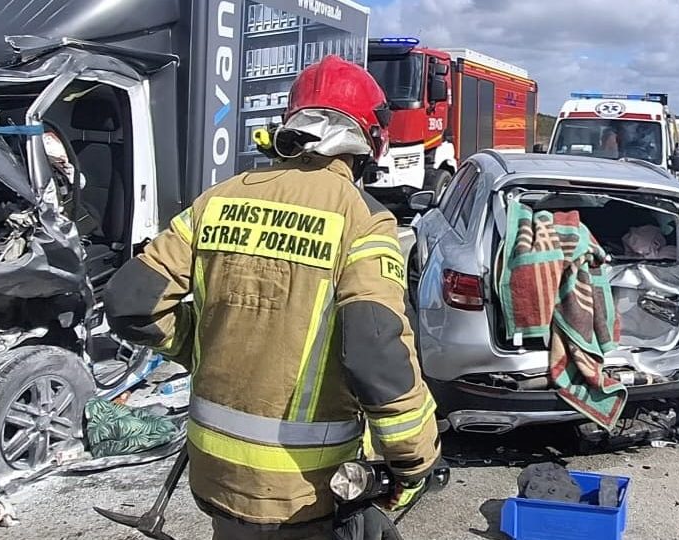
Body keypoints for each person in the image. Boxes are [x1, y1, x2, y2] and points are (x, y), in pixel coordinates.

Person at [104, 55, 442, 539]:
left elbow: (131, 302)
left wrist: (202, 346)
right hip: (307, 491)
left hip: (215, 476)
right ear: (371, 140)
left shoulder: (217, 200)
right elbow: (375, 352)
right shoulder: (363, 220)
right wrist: (414, 459)